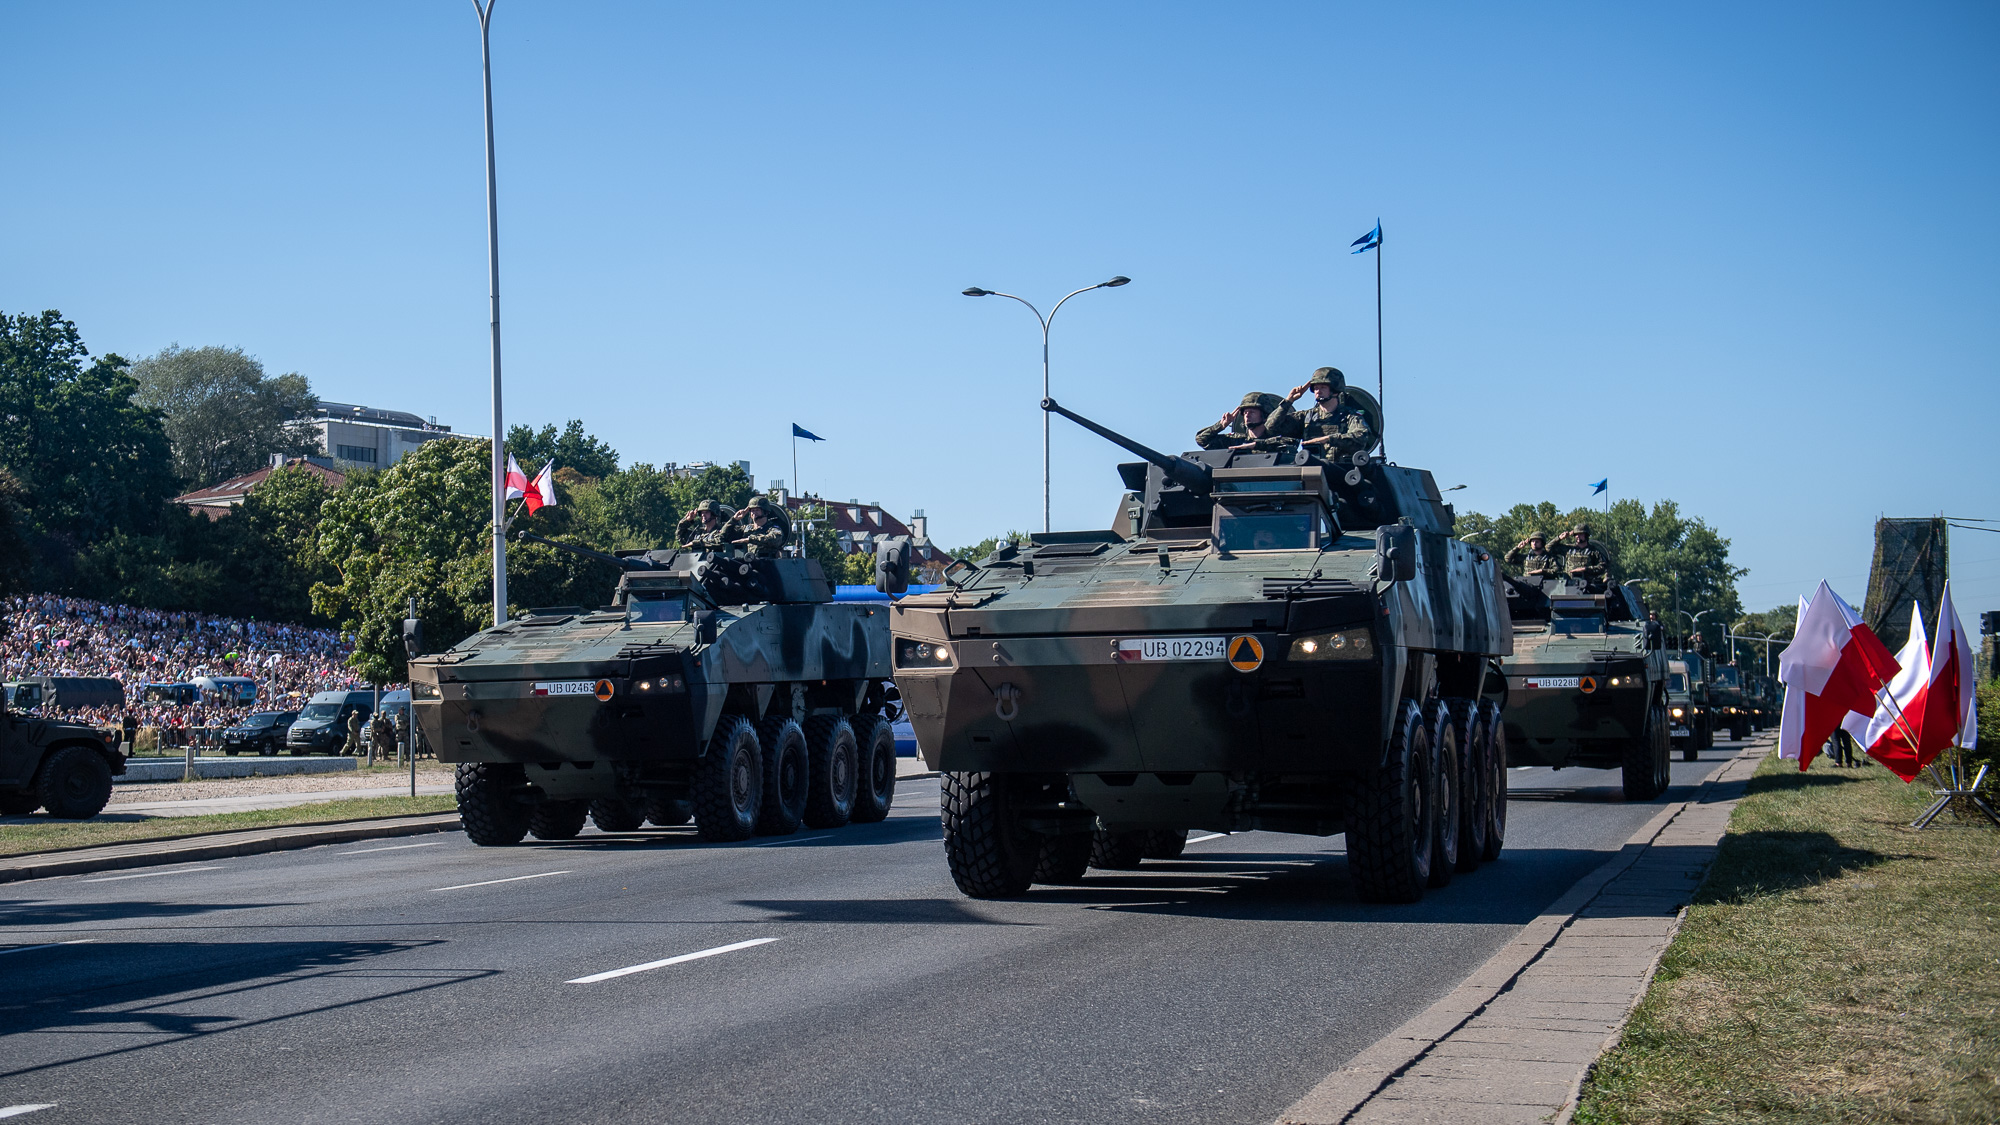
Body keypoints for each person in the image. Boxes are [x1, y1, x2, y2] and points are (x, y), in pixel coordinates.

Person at [1284, 367, 1377, 460]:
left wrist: (1328, 439)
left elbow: (1361, 438)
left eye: (1323, 387)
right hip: (1310, 469)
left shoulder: (1350, 416)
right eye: (1315, 388)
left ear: (1335, 390)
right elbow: (1272, 428)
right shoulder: (1306, 417)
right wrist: (1289, 400)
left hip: (1340, 470)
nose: (1318, 391)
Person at [1195, 392, 1300, 453]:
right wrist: (1221, 426)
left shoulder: (1277, 442)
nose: (1247, 415)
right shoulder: (1237, 441)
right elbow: (1202, 440)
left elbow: (1291, 442)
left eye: (1252, 412)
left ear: (1264, 416)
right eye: (1245, 412)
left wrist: (1255, 445)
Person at [1562, 523, 1610, 591]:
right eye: (1576, 534)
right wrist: (1560, 538)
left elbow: (1603, 567)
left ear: (1586, 535)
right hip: (1568, 586)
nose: (1578, 536)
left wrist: (1585, 569)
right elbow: (1548, 548)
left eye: (1580, 534)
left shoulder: (1594, 552)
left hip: (1588, 586)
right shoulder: (1569, 549)